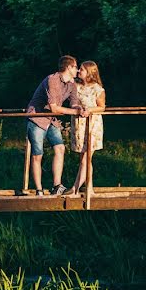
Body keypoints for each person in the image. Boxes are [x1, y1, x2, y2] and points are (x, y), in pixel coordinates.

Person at [26, 55, 87, 196]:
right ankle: (39, 190)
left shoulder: (71, 84)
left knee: (60, 148)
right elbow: (54, 107)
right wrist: (74, 111)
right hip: (37, 118)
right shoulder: (52, 79)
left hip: (51, 120)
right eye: (76, 67)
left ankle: (56, 186)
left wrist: (80, 109)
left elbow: (74, 102)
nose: (77, 70)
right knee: (37, 155)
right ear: (69, 67)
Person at [70, 61, 106, 196]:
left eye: (82, 69)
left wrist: (89, 110)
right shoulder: (76, 86)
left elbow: (102, 107)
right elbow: (73, 102)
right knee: (83, 158)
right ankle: (89, 187)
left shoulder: (97, 89)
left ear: (90, 73)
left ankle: (75, 187)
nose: (79, 71)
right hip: (78, 123)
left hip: (92, 124)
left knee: (87, 156)